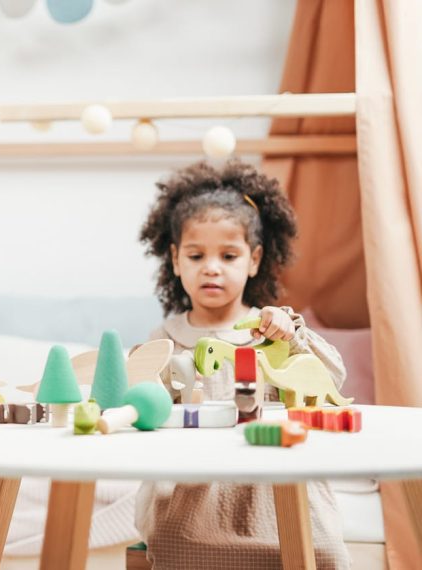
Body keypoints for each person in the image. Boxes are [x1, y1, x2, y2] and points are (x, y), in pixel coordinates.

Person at [135, 159, 350, 569]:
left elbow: (332, 380)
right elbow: (145, 406)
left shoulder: (272, 327)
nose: (212, 267)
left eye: (228, 255)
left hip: (271, 482)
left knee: (321, 550)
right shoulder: (164, 338)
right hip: (195, 490)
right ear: (176, 260)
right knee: (180, 545)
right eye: (197, 256)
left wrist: (293, 334)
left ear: (253, 260)